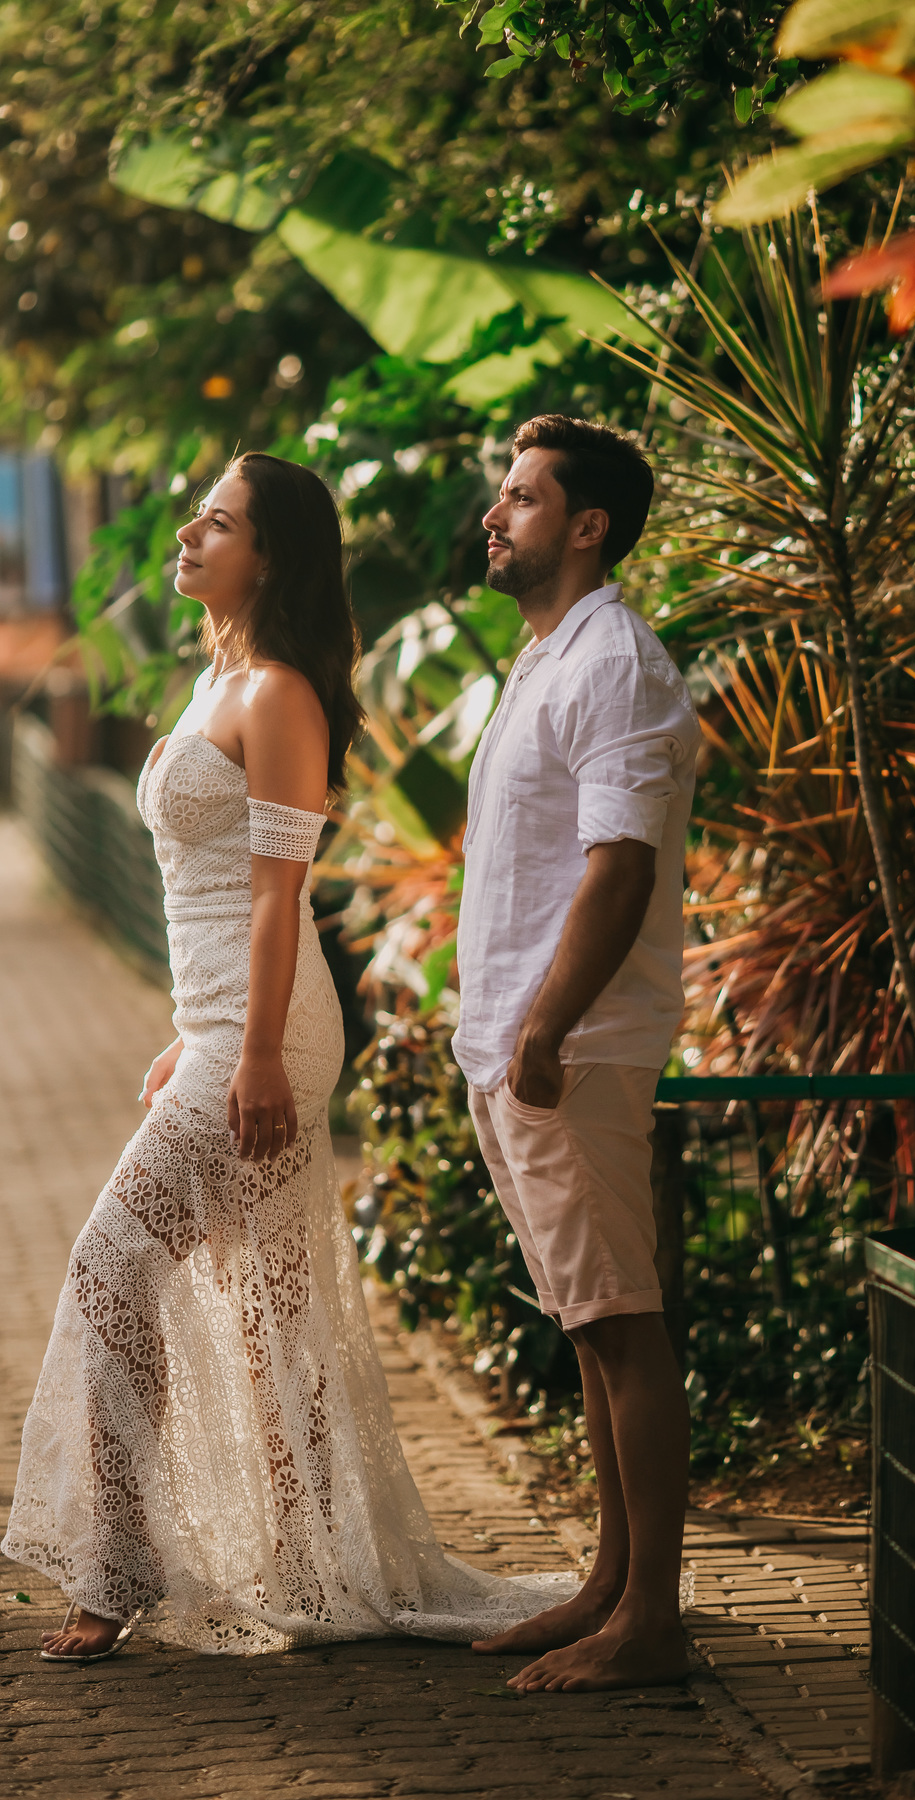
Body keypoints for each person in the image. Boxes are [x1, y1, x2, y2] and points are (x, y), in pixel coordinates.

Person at [3, 452, 573, 1663]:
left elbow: (278, 903)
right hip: (220, 1028)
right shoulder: (220, 678)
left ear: (269, 555)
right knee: (276, 1314)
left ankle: (112, 1573)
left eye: (216, 522)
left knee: (111, 1270)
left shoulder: (279, 697)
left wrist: (254, 1052)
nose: (186, 535)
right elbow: (202, 898)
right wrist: (192, 1035)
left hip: (268, 1033)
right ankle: (321, 1566)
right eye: (194, 515)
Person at [456, 415, 701, 1693]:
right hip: (522, 1047)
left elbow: (621, 867)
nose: (495, 515)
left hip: (573, 1047)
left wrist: (544, 1030)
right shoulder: (551, 656)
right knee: (591, 1326)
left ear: (587, 524)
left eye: (522, 495)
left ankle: (651, 1622)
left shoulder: (616, 663)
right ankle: (610, 1588)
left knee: (621, 1324)